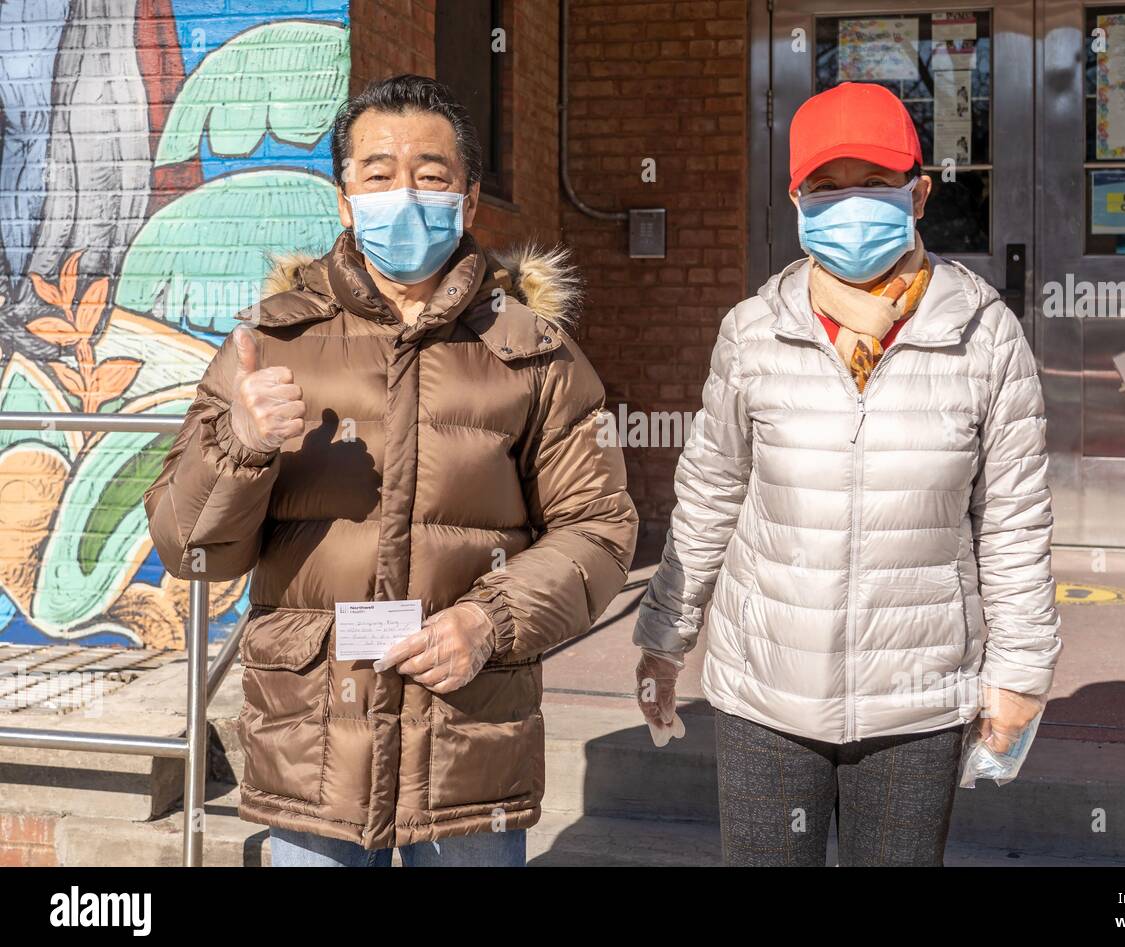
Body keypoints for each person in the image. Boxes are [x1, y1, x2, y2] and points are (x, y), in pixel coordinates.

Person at [145, 75, 638, 867]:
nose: (403, 195)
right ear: (344, 199)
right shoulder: (271, 345)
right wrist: (238, 441)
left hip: (468, 743)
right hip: (313, 743)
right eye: (378, 175)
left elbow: (600, 528)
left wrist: (490, 621)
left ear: (469, 201)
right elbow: (190, 549)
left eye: (431, 176)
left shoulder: (536, 355)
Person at [632, 82, 1061, 866]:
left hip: (918, 700)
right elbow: (709, 493)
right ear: (797, 202)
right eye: (828, 188)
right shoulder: (755, 331)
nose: (851, 204)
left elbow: (1014, 521)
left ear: (920, 194)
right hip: (766, 690)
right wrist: (665, 635)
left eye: (874, 183)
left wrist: (1021, 672)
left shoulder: (986, 337)